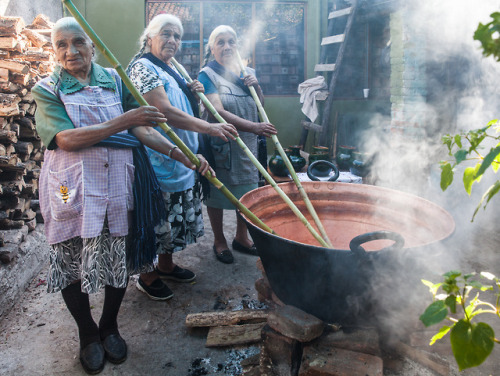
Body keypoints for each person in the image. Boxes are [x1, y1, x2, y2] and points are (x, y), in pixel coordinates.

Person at [32, 17, 210, 375]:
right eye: (61, 45)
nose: (71, 51)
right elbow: (65, 139)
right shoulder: (47, 87)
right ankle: (86, 333)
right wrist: (122, 122)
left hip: (117, 184)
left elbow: (142, 127)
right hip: (68, 187)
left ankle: (109, 326)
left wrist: (182, 155)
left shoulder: (114, 79)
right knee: (70, 259)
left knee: (118, 260)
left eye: (78, 42)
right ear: (54, 51)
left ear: (92, 45)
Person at [127, 14, 238, 298]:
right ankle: (147, 275)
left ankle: (166, 266)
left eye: (177, 36)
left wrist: (193, 93)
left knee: (173, 219)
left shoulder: (169, 67)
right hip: (158, 158)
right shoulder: (142, 67)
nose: (173, 41)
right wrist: (209, 127)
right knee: (156, 219)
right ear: (149, 37)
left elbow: (179, 103)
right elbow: (163, 110)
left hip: (182, 159)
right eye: (166, 34)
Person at [198, 25, 277, 264]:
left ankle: (241, 237)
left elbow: (259, 105)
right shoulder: (207, 75)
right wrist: (254, 127)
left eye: (231, 42)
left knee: (248, 194)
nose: (227, 47)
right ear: (212, 48)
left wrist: (257, 86)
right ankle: (219, 240)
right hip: (221, 143)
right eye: (220, 42)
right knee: (217, 194)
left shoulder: (247, 71)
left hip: (249, 146)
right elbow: (216, 112)